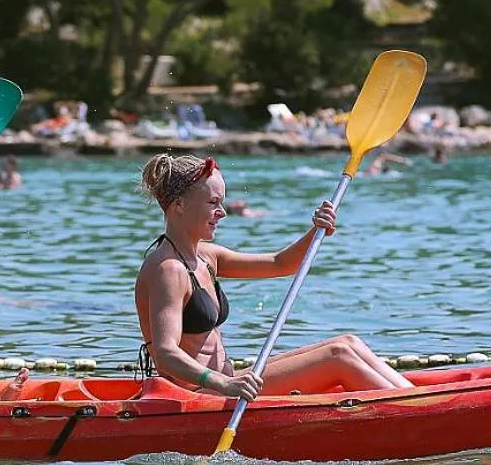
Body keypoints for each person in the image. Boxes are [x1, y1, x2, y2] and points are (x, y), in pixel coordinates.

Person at [134, 153, 412, 400]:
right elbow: (165, 354)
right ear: (179, 205)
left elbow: (280, 263)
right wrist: (224, 383)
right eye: (213, 202)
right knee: (338, 357)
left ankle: (420, 400)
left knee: (348, 344)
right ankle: (418, 410)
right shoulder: (167, 269)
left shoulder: (207, 256)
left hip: (226, 386)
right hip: (198, 397)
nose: (221, 212)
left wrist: (316, 231)